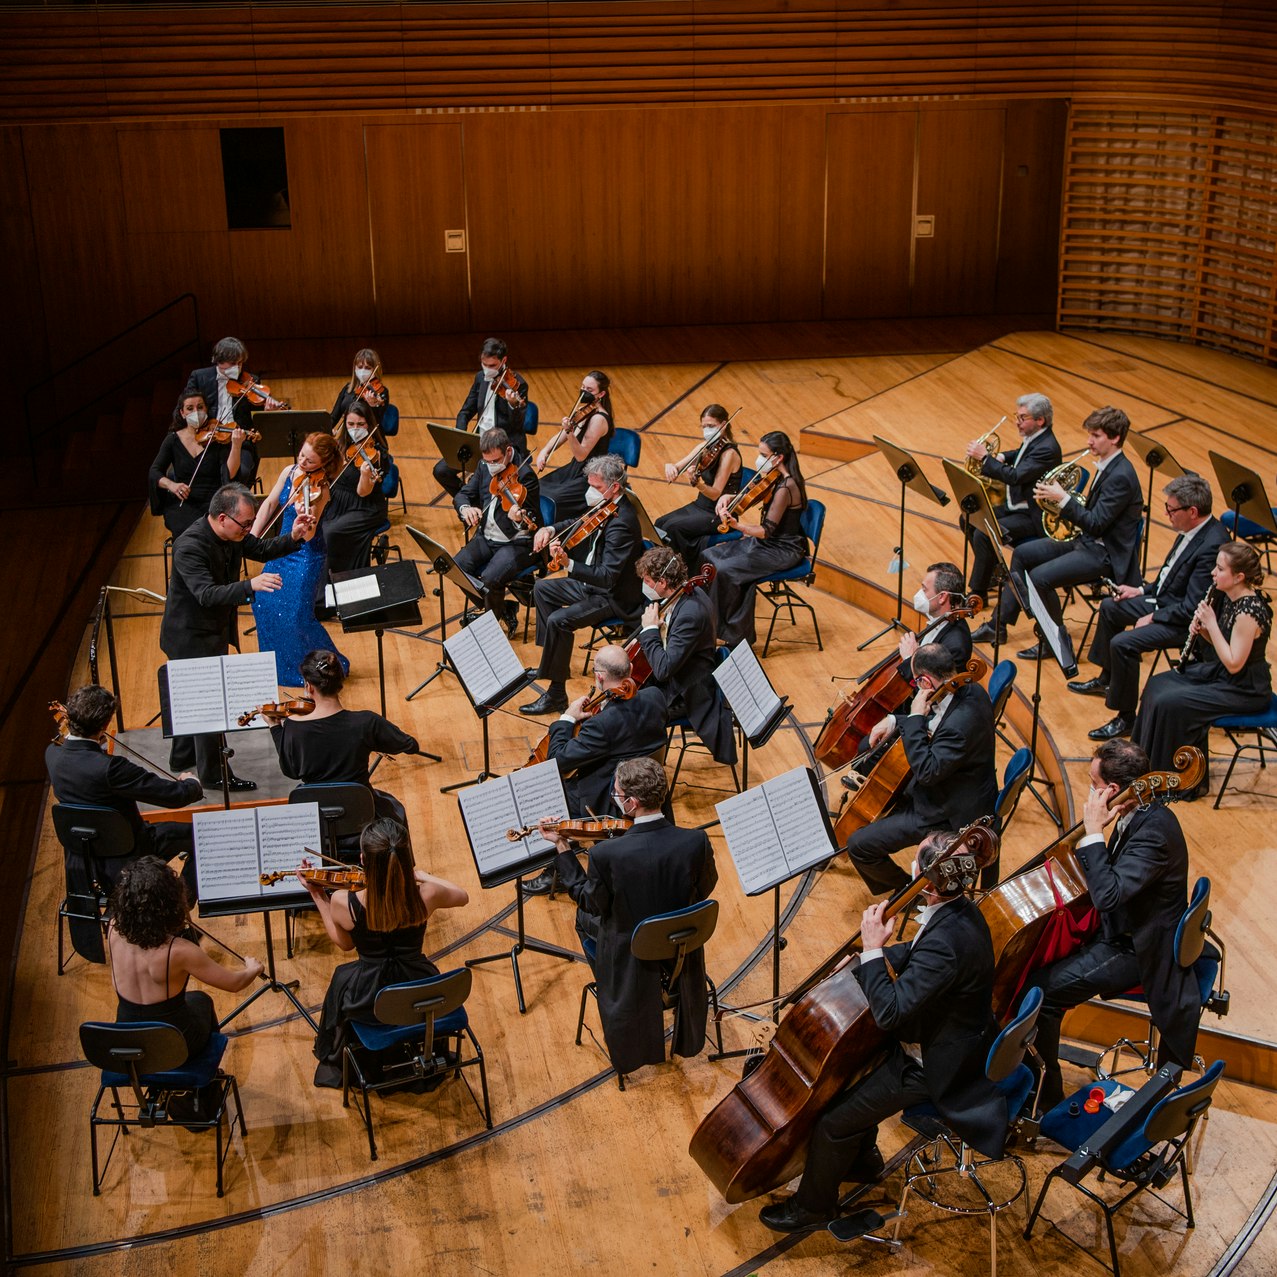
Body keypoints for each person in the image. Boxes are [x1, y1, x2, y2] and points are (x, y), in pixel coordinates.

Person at [758, 831, 1007, 1233]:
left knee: (832, 1122)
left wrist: (873, 949)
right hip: (948, 1039)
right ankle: (863, 1160)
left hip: (934, 1066)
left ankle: (813, 1208)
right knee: (854, 1073)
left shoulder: (946, 940)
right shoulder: (961, 910)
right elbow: (916, 952)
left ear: (924, 878)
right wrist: (866, 958)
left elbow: (891, 1014)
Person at [1022, 740, 1201, 1109]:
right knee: (1039, 959)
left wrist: (1092, 833)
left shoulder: (1154, 833)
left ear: (1112, 790)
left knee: (1040, 992)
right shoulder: (1139, 809)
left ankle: (1042, 1098)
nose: (1089, 788)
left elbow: (1108, 896)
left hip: (1138, 948)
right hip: (1121, 927)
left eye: (1092, 781)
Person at [540, 757, 718, 1076]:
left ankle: (628, 998)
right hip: (681, 948)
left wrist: (562, 849)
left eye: (618, 794)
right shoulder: (696, 841)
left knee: (583, 922)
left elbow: (589, 902)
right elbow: (704, 889)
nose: (615, 798)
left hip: (631, 957)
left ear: (632, 803)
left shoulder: (606, 855)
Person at [160, 483, 311, 789]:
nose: (248, 529)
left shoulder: (234, 534)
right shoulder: (189, 546)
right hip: (190, 636)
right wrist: (250, 586)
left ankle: (181, 756)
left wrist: (294, 537)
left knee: (192, 699)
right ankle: (215, 776)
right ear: (221, 518)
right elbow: (206, 594)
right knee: (207, 706)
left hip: (210, 631)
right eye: (244, 524)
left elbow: (261, 548)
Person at [973, 405, 1143, 675]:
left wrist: (1062, 499)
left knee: (1040, 578)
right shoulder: (1107, 465)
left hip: (1106, 554)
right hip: (1086, 541)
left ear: (1115, 438)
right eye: (1089, 434)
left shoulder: (1121, 475)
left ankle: (1055, 642)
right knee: (1024, 554)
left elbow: (1096, 523)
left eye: (1096, 436)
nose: (1089, 441)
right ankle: (1000, 625)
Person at [304, 818, 468, 1088]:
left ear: (363, 860)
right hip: (419, 989)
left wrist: (318, 896)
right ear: (406, 859)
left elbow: (345, 944)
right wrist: (424, 875)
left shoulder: (344, 901)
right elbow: (462, 895)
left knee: (341, 976)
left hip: (371, 1000)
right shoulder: (427, 895)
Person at [1072, 473, 1229, 741]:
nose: (1167, 514)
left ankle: (1125, 717)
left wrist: (1153, 616)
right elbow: (1170, 574)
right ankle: (1106, 679)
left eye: (1171, 509)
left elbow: (1192, 607)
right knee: (1110, 606)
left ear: (1192, 511)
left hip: (1184, 623)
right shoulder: (1190, 530)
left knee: (1124, 643)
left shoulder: (1212, 545)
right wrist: (1141, 590)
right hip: (1165, 602)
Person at [843, 645, 999, 894]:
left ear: (925, 681)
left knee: (859, 845)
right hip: (957, 787)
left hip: (946, 812)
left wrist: (915, 717)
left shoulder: (959, 725)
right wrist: (895, 720)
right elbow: (936, 724)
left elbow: (927, 772)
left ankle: (908, 894)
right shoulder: (971, 690)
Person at [1132, 540, 1272, 791]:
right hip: (1224, 676)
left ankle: (1180, 781)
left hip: (1244, 689)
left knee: (1171, 702)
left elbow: (1233, 663)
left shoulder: (1249, 612)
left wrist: (1212, 625)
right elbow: (1222, 648)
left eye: (1220, 569)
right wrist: (1203, 631)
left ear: (1239, 576)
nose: (1213, 573)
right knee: (1156, 685)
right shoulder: (1228, 596)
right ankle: (1143, 765)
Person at [46, 684, 205, 899]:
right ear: (105, 723)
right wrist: (192, 784)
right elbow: (175, 796)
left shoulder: (52, 754)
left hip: (84, 855)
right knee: (203, 837)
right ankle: (177, 907)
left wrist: (97, 746)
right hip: (128, 851)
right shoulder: (112, 768)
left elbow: (83, 769)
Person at [520, 455, 644, 716]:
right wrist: (551, 529)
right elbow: (577, 521)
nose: (590, 492)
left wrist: (569, 564)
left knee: (558, 620)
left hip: (612, 596)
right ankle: (549, 663)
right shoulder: (604, 505)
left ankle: (555, 692)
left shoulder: (622, 522)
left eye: (596, 488)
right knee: (541, 589)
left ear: (615, 488)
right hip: (590, 585)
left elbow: (608, 577)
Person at [108, 856, 263, 1063]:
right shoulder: (179, 951)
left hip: (126, 1039)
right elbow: (235, 984)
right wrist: (252, 969)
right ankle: (207, 1082)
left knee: (193, 1000)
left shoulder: (112, 928)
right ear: (170, 903)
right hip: (174, 1043)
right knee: (202, 1001)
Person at [264, 649, 420, 824]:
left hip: (316, 818)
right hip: (361, 814)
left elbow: (290, 771)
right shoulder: (366, 722)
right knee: (395, 812)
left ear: (308, 687)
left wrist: (275, 727)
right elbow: (409, 745)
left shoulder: (294, 728)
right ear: (340, 682)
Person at [249, 431, 349, 687]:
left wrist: (300, 514)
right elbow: (270, 504)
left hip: (306, 556)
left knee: (296, 614)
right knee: (262, 601)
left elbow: (310, 533)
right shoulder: (289, 471)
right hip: (280, 549)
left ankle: (319, 665)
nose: (303, 462)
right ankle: (277, 665)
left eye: (310, 461)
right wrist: (252, 538)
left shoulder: (322, 489)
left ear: (322, 465)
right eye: (302, 455)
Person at [633, 545, 737, 766]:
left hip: (685, 693)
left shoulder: (691, 613)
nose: (645, 586)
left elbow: (663, 671)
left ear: (662, 583)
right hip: (680, 674)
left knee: (631, 711)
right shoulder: (684, 593)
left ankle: (644, 769)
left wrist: (650, 631)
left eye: (648, 581)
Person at [704, 430, 808, 648]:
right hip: (767, 544)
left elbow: (765, 531)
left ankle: (729, 634)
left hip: (782, 550)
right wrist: (728, 496)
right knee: (709, 555)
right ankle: (709, 623)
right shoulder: (774, 477)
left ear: (778, 458)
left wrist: (737, 525)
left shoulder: (787, 488)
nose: (759, 459)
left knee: (726, 570)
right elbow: (752, 493)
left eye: (763, 454)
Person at [963, 393, 1062, 602]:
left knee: (985, 532)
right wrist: (1002, 457)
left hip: (1033, 516)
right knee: (969, 517)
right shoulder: (1037, 438)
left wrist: (985, 458)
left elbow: (1015, 476)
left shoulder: (1047, 448)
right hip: (1017, 505)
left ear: (1040, 420)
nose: (1017, 422)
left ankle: (978, 592)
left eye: (1022, 418)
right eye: (1016, 416)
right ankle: (990, 573)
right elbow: (1022, 452)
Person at [452, 426, 541, 636]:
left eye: (496, 461)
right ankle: (501, 610)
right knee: (456, 567)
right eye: (488, 461)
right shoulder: (484, 466)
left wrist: (518, 520)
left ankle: (491, 629)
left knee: (491, 578)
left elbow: (534, 521)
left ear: (508, 451)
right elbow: (463, 494)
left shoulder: (526, 476)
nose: (492, 466)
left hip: (516, 543)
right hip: (486, 536)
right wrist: (467, 509)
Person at [434, 337, 530, 497]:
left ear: (503, 360)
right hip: (478, 443)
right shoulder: (480, 378)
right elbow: (465, 412)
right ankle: (470, 502)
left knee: (491, 482)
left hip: (503, 447)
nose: (487, 369)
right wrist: (459, 437)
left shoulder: (519, 384)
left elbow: (517, 425)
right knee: (441, 471)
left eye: (491, 366)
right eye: (484, 364)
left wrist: (513, 404)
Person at [148, 391, 250, 540]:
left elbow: (230, 474)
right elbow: (154, 472)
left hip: (215, 501)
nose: (196, 412)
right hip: (184, 502)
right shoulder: (172, 440)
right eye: (190, 408)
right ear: (182, 413)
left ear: (206, 410)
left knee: (218, 527)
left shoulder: (217, 437)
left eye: (200, 407)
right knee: (186, 530)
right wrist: (172, 485)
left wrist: (236, 445)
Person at [654, 404, 743, 568]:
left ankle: (682, 573)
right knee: (660, 523)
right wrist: (670, 466)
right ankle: (664, 571)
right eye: (704, 427)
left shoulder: (729, 454)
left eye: (711, 426)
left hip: (717, 513)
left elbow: (716, 493)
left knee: (673, 528)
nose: (706, 430)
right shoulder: (705, 447)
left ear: (723, 425)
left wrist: (699, 484)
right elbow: (678, 466)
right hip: (700, 506)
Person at [182, 337, 276, 487]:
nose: (237, 368)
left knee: (242, 472)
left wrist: (266, 409)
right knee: (192, 473)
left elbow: (257, 412)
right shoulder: (199, 378)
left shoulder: (251, 380)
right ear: (219, 361)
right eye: (233, 364)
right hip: (207, 438)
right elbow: (186, 407)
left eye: (240, 363)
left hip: (239, 439)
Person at [534, 370, 616, 520]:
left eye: (589, 390)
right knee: (537, 487)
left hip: (589, 475)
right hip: (574, 469)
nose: (584, 392)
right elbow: (561, 435)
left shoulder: (599, 419)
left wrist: (570, 432)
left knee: (553, 498)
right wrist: (545, 451)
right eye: (583, 387)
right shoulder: (584, 411)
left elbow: (581, 455)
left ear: (601, 394)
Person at [325, 399, 390, 575]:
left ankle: (343, 577)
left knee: (331, 532)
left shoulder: (377, 454)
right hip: (337, 501)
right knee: (315, 526)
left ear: (369, 425)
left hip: (365, 507)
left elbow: (363, 492)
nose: (355, 428)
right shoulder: (340, 445)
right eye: (351, 424)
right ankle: (322, 580)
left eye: (360, 424)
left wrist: (364, 474)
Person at [897, 561, 973, 681]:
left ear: (942, 597)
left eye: (924, 589)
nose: (919, 593)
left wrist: (910, 659)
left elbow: (930, 691)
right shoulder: (939, 621)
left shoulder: (955, 646)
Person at [329, 346, 390, 430]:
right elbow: (334, 417)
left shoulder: (381, 392)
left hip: (371, 438)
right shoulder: (347, 388)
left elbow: (377, 422)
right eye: (360, 367)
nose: (363, 371)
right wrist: (324, 430)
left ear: (375, 370)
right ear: (355, 368)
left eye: (368, 368)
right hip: (347, 436)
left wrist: (373, 406)